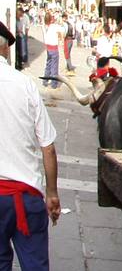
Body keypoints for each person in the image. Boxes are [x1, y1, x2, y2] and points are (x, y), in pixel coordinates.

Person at [0, 20, 60, 270]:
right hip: (27, 196)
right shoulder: (25, 85)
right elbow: (48, 147)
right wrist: (52, 193)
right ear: (4, 50)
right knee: (35, 265)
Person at [40, 16, 59, 91]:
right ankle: (54, 83)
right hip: (54, 47)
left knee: (48, 64)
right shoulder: (53, 27)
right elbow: (62, 29)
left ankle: (45, 80)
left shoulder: (44, 26)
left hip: (48, 47)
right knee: (54, 66)